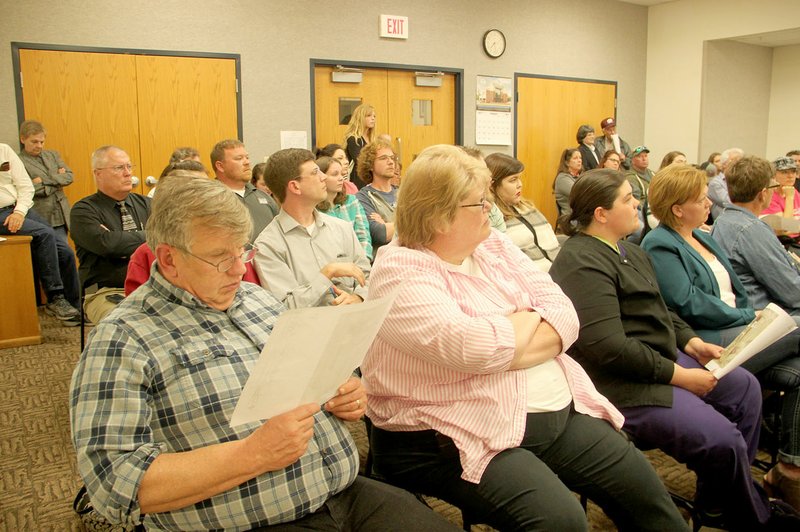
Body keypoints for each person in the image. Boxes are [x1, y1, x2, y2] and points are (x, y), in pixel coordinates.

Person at [70, 175, 456, 531]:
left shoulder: (256, 301)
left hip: (343, 492)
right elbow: (115, 483)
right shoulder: (123, 339)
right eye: (221, 257)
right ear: (169, 259)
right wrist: (252, 455)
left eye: (243, 252)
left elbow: (303, 381)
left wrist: (342, 392)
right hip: (248, 519)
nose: (239, 269)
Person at [362, 144, 688, 532]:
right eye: (480, 203)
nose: (491, 211)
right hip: (452, 432)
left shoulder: (491, 244)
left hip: (547, 412)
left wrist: (515, 331)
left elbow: (565, 313)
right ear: (439, 217)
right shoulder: (399, 273)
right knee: (561, 522)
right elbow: (475, 347)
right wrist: (528, 322)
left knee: (645, 490)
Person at [550, 168, 799, 530]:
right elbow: (609, 347)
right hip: (624, 383)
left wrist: (692, 342)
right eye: (626, 199)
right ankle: (752, 515)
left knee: (745, 389)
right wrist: (680, 376)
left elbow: (661, 309)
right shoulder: (581, 261)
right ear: (601, 214)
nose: (637, 202)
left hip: (662, 358)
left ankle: (717, 502)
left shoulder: (629, 252)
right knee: (723, 438)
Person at [641, 164, 800, 511]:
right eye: (701, 199)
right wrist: (748, 317)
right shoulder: (659, 244)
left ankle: (787, 467)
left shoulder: (702, 236)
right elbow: (689, 303)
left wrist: (749, 316)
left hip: (737, 326)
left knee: (798, 373)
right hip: (705, 340)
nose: (710, 202)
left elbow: (738, 290)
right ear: (678, 208)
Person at [254, 148, 370, 308]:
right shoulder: (268, 245)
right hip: (310, 329)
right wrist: (327, 273)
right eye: (316, 172)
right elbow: (286, 308)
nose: (323, 177)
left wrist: (358, 297)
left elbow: (367, 275)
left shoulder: (341, 228)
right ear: (295, 187)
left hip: (353, 323)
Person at [1, 142, 80, 324]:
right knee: (44, 233)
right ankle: (55, 297)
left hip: (21, 209)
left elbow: (26, 186)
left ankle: (75, 310)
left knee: (66, 253)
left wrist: (19, 212)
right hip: (1, 214)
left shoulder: (3, 150)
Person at [71, 145, 150, 324]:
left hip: (150, 287)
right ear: (98, 173)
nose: (128, 173)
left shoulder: (148, 204)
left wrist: (119, 239)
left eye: (129, 166)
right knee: (127, 324)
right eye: (119, 168)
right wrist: (151, 236)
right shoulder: (83, 210)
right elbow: (108, 245)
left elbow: (169, 238)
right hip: (106, 291)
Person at [712, 156, 800, 313]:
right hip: (765, 315)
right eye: (774, 186)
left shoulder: (723, 220)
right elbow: (792, 292)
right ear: (763, 194)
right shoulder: (750, 230)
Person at [486, 152, 560, 271]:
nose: (519, 185)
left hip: (559, 272)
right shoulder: (493, 219)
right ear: (492, 186)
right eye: (513, 180)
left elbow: (553, 245)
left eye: (519, 178)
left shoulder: (527, 208)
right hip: (534, 280)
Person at [211, 139, 278, 240]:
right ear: (220, 166)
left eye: (247, 157)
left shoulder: (264, 197)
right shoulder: (209, 200)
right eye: (239, 158)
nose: (247, 162)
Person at [17, 120, 73, 242]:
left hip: (62, 214)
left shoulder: (52, 155)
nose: (39, 146)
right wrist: (58, 179)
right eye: (34, 142)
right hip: (41, 216)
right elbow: (30, 189)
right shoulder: (18, 161)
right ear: (23, 139)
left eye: (42, 142)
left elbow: (69, 177)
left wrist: (43, 180)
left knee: (65, 254)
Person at [316, 155, 373, 260]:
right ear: (321, 178)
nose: (341, 178)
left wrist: (363, 262)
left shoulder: (352, 201)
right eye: (335, 174)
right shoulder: (314, 209)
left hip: (358, 263)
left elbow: (364, 237)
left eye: (342, 174)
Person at [355, 139, 397, 255]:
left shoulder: (404, 193)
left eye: (392, 158)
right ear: (370, 165)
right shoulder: (362, 197)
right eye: (384, 158)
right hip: (384, 262)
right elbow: (379, 234)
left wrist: (387, 224)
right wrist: (410, 225)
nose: (390, 162)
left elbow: (423, 226)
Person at [343, 104, 376, 189]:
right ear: (360, 118)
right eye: (369, 116)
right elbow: (360, 161)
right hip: (359, 181)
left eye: (374, 116)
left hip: (372, 179)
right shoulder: (353, 139)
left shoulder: (372, 139)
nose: (373, 118)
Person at [708, 147, 744, 220]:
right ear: (724, 164)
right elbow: (731, 203)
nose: (740, 164)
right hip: (726, 221)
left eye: (741, 160)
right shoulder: (715, 183)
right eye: (735, 160)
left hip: (742, 218)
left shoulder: (742, 181)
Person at [552, 148, 582, 217]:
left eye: (580, 158)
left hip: (581, 217)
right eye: (575, 158)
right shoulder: (562, 178)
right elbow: (581, 194)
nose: (579, 160)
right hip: (571, 219)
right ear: (567, 162)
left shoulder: (580, 176)